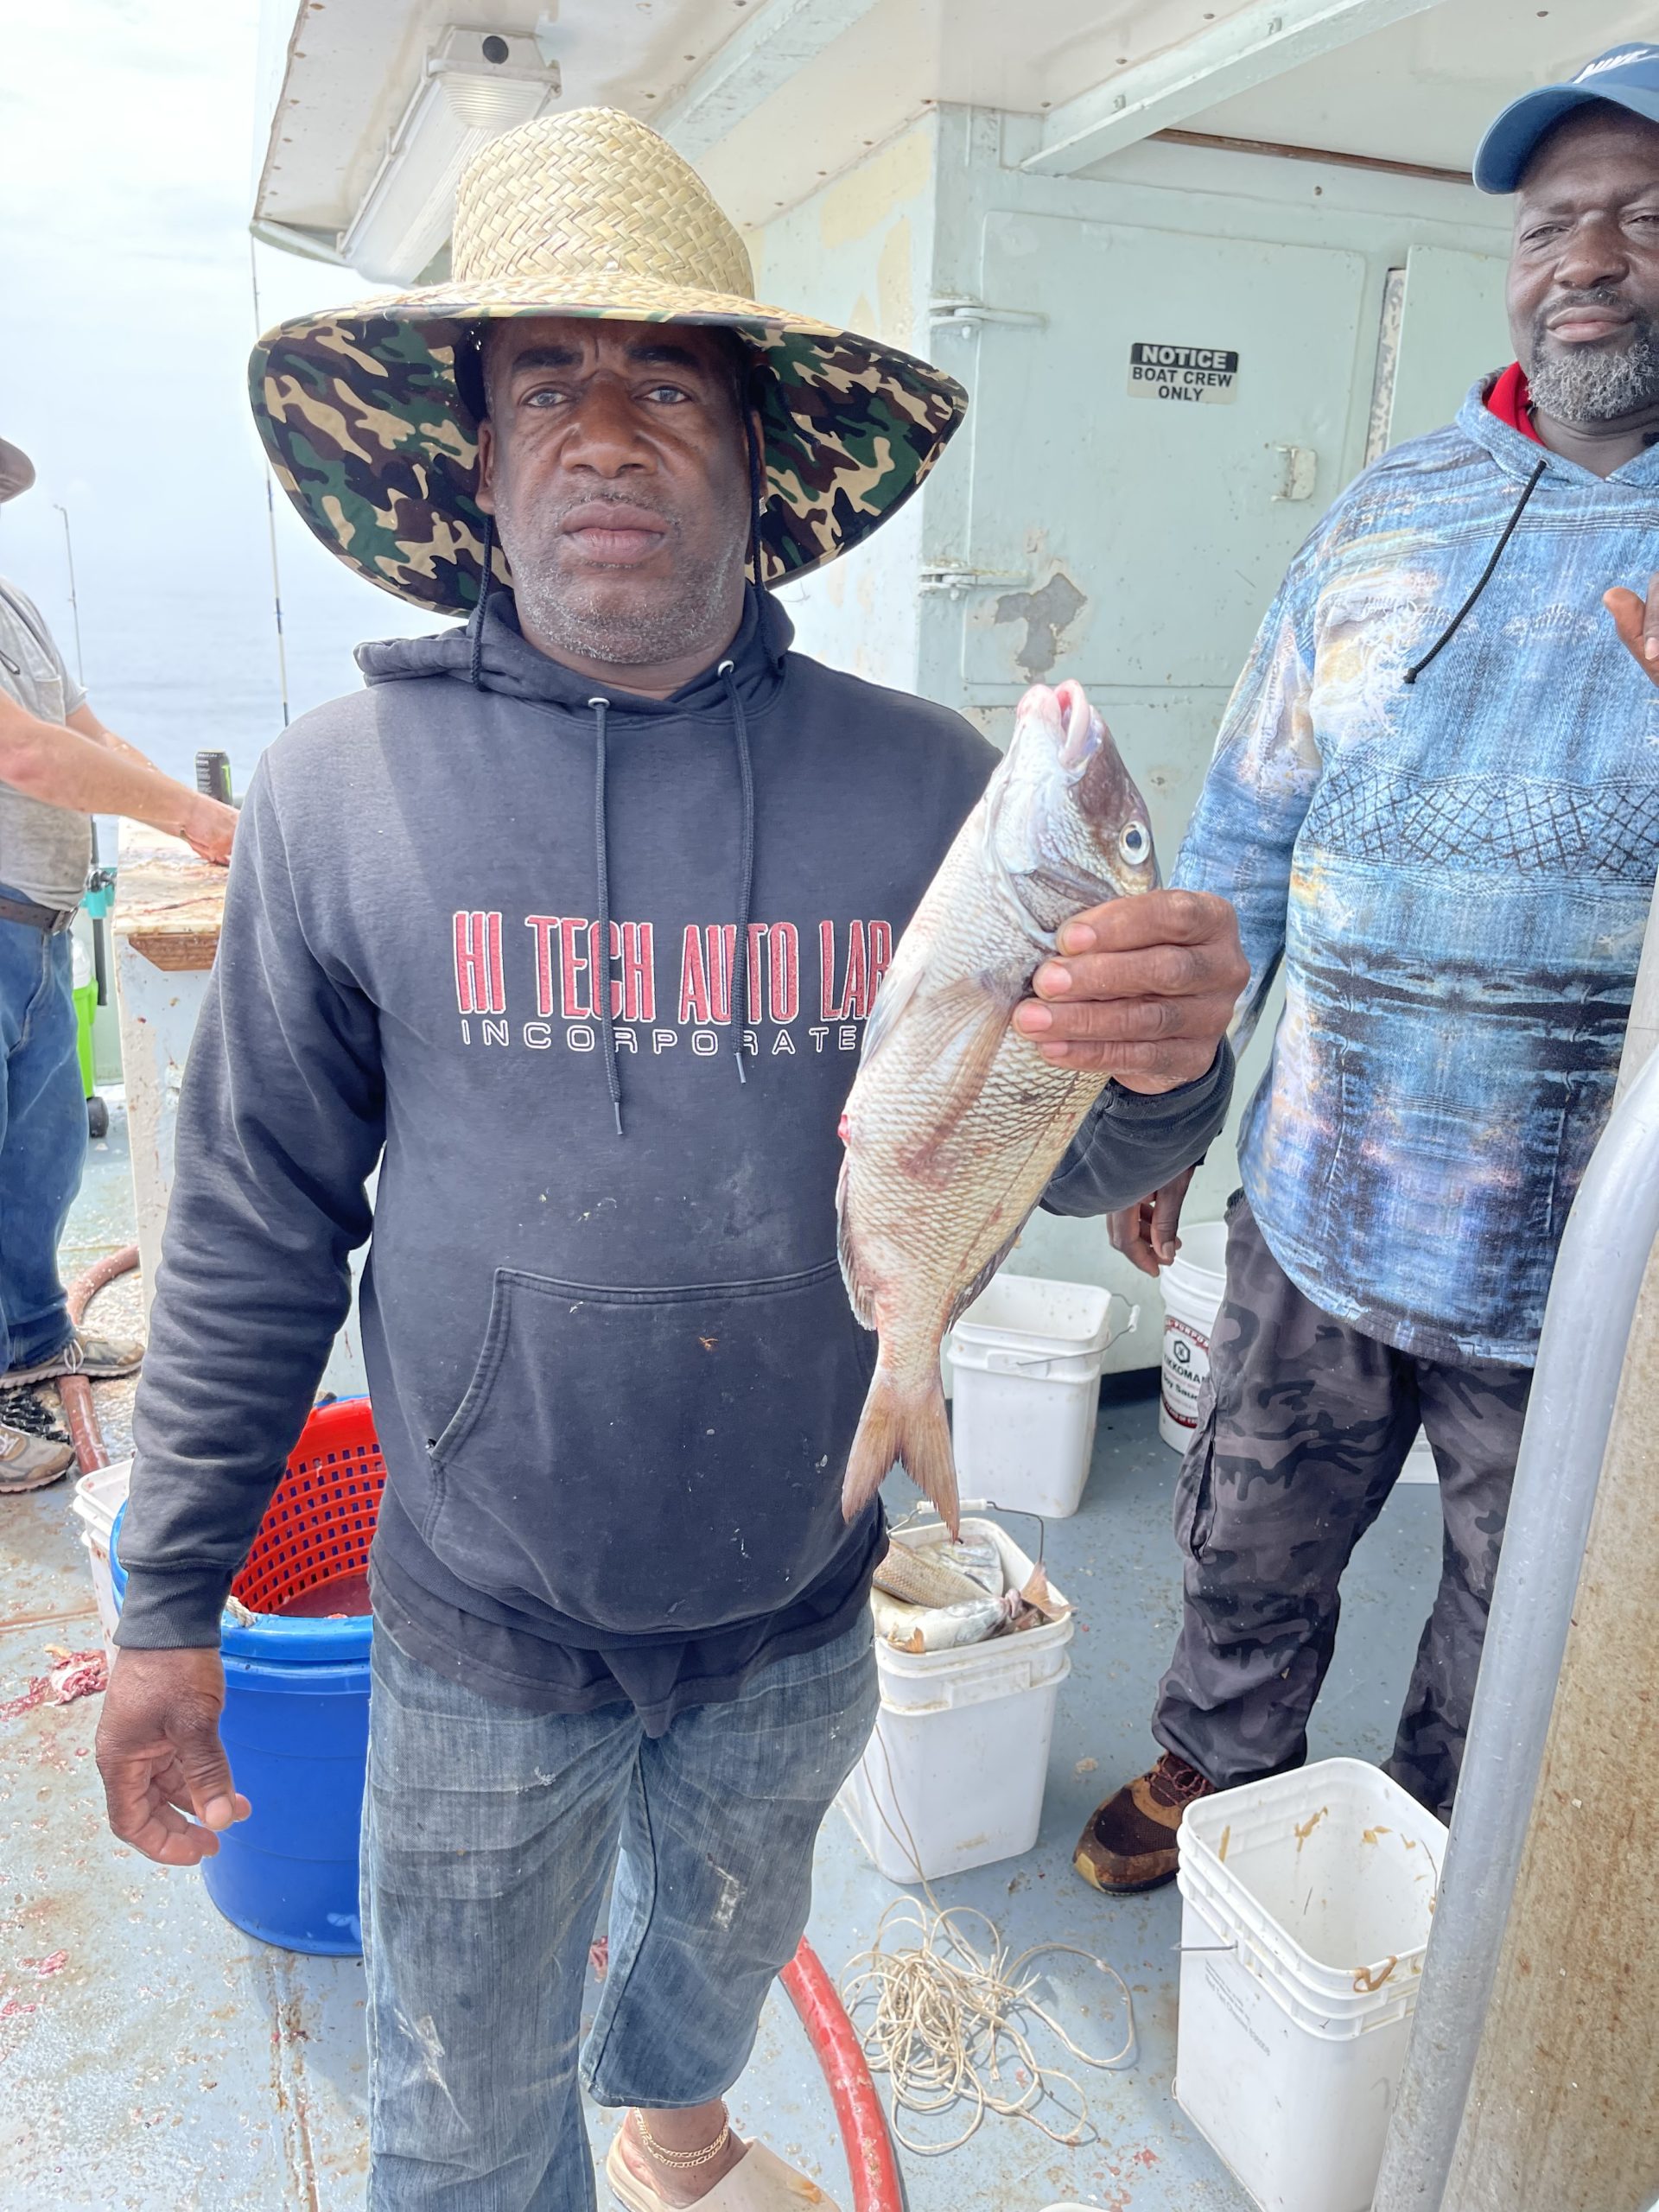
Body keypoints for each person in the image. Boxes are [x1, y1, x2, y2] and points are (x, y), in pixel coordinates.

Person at [94, 109, 1246, 2212]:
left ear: (756, 451)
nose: (605, 433)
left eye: (669, 385)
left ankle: (681, 2125)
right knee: (458, 2123)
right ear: (475, 456)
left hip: (799, 1593)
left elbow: (1068, 1151)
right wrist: (168, 1602)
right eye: (547, 384)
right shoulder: (342, 791)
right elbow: (256, 1219)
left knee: (713, 1955)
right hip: (478, 1616)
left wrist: (1171, 1059)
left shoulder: (935, 788)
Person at [1074, 43, 1659, 1900]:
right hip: (1321, 1196)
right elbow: (1247, 829)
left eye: (1646, 217)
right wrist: (1174, 1105)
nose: (1590, 258)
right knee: (1250, 1519)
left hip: (1587, 1265)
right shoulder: (1383, 514)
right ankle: (1215, 1754)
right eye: (1553, 224)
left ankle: (1423, 1862)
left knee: (1520, 1601)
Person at [0, 432, 238, 1495]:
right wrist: (190, 813)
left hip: (37, 923)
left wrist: (206, 823)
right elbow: (25, 754)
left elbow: (88, 736)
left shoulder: (15, 607)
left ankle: (29, 1341)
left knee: (38, 1159)